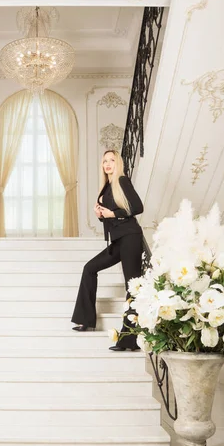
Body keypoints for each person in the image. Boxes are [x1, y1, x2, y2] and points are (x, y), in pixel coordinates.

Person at [71, 150, 143, 351]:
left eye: (111, 160)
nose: (108, 164)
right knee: (89, 268)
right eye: (105, 161)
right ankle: (85, 319)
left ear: (117, 163)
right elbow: (111, 214)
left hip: (130, 238)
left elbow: (137, 207)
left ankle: (130, 340)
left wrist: (114, 213)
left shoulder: (122, 181)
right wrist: (102, 215)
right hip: (119, 240)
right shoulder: (107, 186)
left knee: (132, 286)